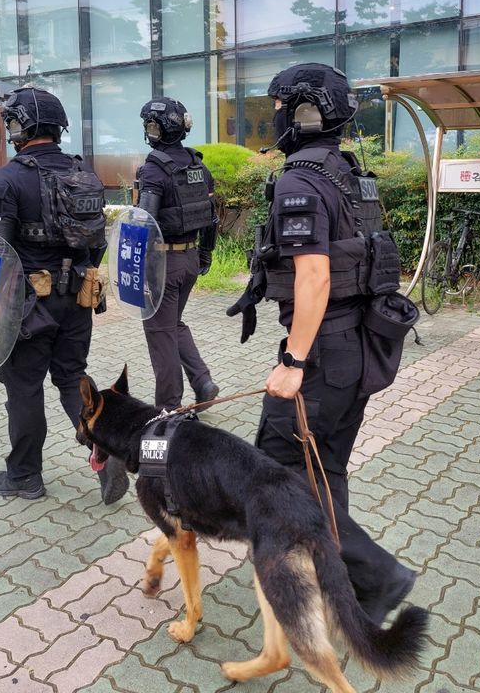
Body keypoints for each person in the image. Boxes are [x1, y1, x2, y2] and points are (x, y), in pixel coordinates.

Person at [228, 63, 420, 627]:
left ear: (304, 112)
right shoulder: (350, 174)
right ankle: (350, 580)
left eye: (282, 107)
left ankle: (377, 575)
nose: (278, 118)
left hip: (321, 354)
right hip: (359, 347)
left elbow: (314, 276)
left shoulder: (299, 180)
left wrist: (292, 361)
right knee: (324, 469)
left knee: (275, 469)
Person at [0, 86, 128, 505]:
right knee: (70, 379)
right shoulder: (85, 173)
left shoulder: (7, 178)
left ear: (22, 126)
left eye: (11, 121)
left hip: (28, 305)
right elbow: (96, 240)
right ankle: (107, 447)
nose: (10, 129)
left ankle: (25, 476)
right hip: (78, 299)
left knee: (24, 386)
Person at [135, 97, 220, 410]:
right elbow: (212, 218)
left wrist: (136, 270)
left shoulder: (153, 170)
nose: (148, 129)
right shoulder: (199, 166)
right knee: (173, 325)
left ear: (157, 129)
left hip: (162, 263)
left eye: (149, 124)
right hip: (190, 260)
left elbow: (144, 223)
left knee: (160, 334)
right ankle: (203, 381)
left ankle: (169, 410)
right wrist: (206, 255)